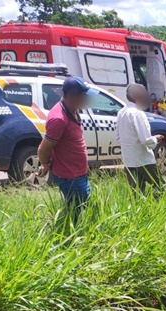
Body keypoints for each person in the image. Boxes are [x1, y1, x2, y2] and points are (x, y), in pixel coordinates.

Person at [37, 76, 97, 227]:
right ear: (72, 96)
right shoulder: (58, 119)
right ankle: (68, 239)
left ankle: (72, 234)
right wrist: (45, 165)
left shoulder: (72, 110)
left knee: (81, 207)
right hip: (70, 176)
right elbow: (44, 148)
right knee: (76, 213)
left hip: (78, 172)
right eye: (83, 97)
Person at [116, 83, 165, 197]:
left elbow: (118, 137)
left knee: (137, 193)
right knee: (160, 186)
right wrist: (155, 139)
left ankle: (141, 213)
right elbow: (145, 140)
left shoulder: (121, 112)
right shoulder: (138, 113)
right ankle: (157, 210)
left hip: (129, 160)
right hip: (144, 160)